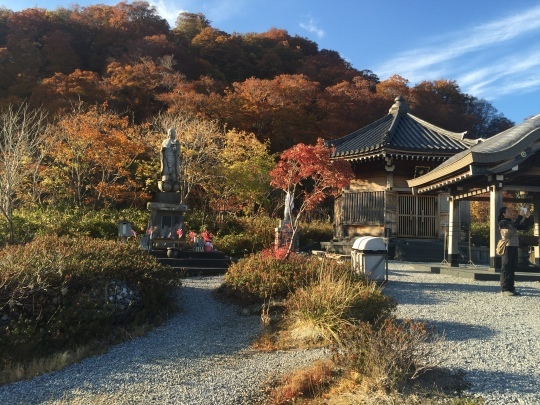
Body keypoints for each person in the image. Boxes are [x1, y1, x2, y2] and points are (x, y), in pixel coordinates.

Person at [498, 206, 532, 296]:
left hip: (514, 246)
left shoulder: (511, 222)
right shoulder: (503, 222)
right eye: (508, 211)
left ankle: (511, 288)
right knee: (506, 267)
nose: (511, 212)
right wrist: (520, 216)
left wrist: (527, 217)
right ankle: (504, 289)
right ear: (504, 214)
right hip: (507, 246)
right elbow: (513, 226)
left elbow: (524, 227)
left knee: (512, 267)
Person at [159, 128, 181, 192]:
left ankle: (173, 179)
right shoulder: (164, 141)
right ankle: (165, 180)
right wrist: (163, 151)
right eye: (170, 132)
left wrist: (175, 151)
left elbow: (178, 153)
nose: (171, 133)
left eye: (173, 132)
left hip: (173, 159)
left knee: (173, 171)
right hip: (166, 159)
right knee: (166, 170)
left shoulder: (176, 141)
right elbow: (161, 151)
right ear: (168, 133)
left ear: (175, 133)